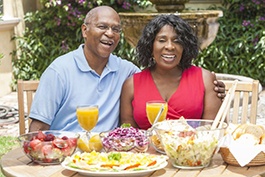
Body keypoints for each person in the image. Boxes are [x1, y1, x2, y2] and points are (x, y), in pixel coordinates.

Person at [29, 6, 225, 133]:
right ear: (84, 30)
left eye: (115, 29)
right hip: (66, 153)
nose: (109, 33)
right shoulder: (59, 71)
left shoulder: (125, 71)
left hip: (112, 155)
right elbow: (37, 128)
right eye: (102, 26)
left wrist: (216, 88)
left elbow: (210, 131)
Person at [120, 14, 222, 130]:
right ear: (150, 46)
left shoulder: (205, 79)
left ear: (185, 46)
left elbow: (213, 130)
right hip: (146, 148)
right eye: (162, 40)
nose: (170, 46)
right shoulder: (131, 85)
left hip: (193, 146)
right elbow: (128, 135)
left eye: (177, 41)